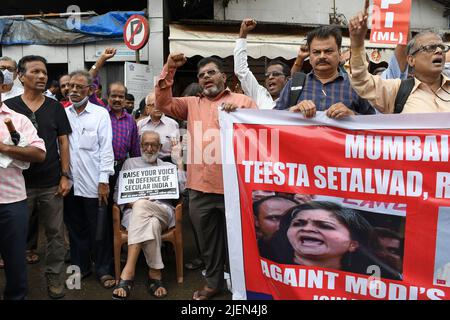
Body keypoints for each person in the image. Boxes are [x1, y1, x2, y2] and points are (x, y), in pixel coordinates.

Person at [155, 53, 257, 300]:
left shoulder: (244, 101)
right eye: (201, 75)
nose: (205, 78)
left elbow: (260, 137)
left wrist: (239, 115)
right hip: (199, 189)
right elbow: (162, 103)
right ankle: (213, 284)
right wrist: (169, 68)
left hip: (235, 189)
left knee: (238, 243)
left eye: (211, 72)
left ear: (223, 76)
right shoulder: (191, 104)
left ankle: (240, 285)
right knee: (208, 244)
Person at [4, 55, 72, 299]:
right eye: (35, 72)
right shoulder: (9, 106)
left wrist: (65, 175)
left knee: (55, 235)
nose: (42, 76)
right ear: (21, 76)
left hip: (50, 183)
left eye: (44, 72)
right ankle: (16, 283)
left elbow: (63, 142)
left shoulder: (55, 107)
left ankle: (54, 278)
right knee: (16, 237)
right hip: (16, 185)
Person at [112, 131, 185, 300]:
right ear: (140, 146)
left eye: (154, 145)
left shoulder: (167, 167)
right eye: (146, 144)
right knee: (149, 221)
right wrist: (131, 203)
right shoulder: (130, 164)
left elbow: (182, 190)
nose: (150, 148)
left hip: (162, 211)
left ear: (160, 147)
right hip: (134, 213)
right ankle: (155, 274)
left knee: (142, 205)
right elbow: (117, 194)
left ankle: (128, 272)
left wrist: (179, 162)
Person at [64, 70, 116, 289]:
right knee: (76, 231)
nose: (73, 91)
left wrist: (104, 181)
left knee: (100, 231)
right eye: (70, 87)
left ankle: (104, 270)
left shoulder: (100, 114)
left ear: (91, 90)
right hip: (70, 184)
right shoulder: (63, 114)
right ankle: (79, 269)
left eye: (78, 87)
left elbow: (106, 149)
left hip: (96, 185)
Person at [266, 201, 401, 280]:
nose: (307, 229)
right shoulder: (264, 267)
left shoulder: (375, 282)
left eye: (325, 226)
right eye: (298, 223)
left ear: (353, 244)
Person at [0, 70, 47, 300]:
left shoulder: (17, 119)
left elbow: (39, 153)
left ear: (3, 88)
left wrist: (5, 147)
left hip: (11, 202)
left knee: (15, 260)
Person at [348, 9, 450, 113]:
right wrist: (357, 43)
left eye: (442, 47)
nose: (439, 51)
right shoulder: (396, 90)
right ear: (411, 60)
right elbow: (362, 82)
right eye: (430, 47)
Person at [274, 25, 375, 118]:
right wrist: (292, 111)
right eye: (316, 52)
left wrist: (352, 115)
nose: (322, 56)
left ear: (339, 54)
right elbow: (272, 119)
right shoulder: (294, 84)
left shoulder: (356, 86)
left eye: (328, 51)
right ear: (309, 56)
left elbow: (373, 124)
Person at [234, 18, 290, 109]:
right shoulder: (259, 94)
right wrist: (243, 34)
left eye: (275, 74)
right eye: (267, 75)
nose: (270, 77)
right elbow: (241, 71)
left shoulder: (294, 99)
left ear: (287, 79)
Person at [137, 92, 179, 163]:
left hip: (166, 164)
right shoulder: (140, 125)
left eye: (160, 104)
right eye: (153, 105)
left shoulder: (173, 124)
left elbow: (177, 148)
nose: (157, 107)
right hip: (145, 163)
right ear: (147, 108)